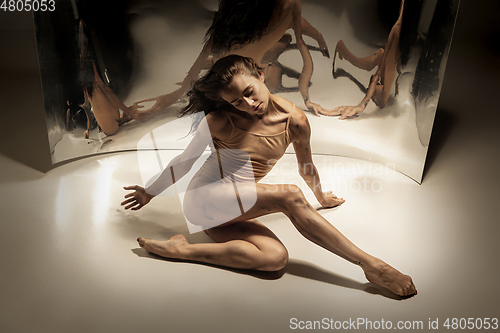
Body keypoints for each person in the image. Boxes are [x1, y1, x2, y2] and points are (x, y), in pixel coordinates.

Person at [122, 55, 417, 297]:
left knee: (275, 259)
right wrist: (149, 192)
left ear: (261, 76)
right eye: (236, 101)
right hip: (203, 201)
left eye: (248, 92)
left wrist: (322, 197)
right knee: (288, 195)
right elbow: (184, 162)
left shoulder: (296, 122)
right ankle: (370, 264)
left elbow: (306, 167)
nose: (248, 104)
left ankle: (183, 250)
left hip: (231, 212)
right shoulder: (219, 121)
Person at [131, 0, 332, 118]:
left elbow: (303, 48)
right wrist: (178, 92)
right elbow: (207, 49)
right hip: (231, 70)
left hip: (241, 68)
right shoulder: (238, 14)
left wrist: (308, 99)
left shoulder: (287, 7)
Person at [323, 0, 407, 119]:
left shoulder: (399, 31)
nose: (375, 100)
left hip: (384, 57)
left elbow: (393, 58)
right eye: (374, 98)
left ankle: (342, 50)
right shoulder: (383, 92)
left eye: (373, 99)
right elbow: (375, 78)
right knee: (361, 64)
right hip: (383, 58)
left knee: (363, 65)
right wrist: (361, 105)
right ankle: (342, 49)